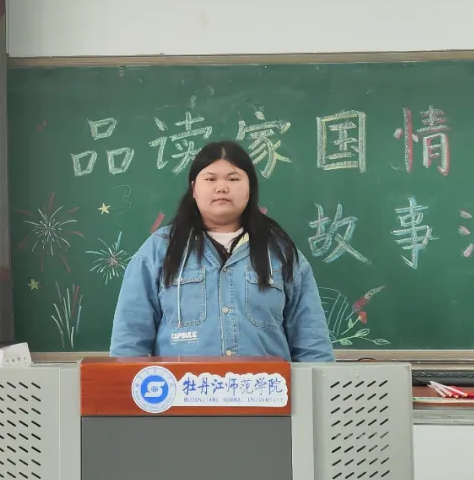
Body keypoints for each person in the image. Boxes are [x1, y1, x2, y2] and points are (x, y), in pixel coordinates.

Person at [109, 140, 335, 362]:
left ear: (250, 187)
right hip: (183, 386)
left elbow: (312, 344)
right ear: (194, 188)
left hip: (265, 386)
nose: (221, 188)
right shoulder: (160, 249)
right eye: (210, 179)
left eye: (233, 179)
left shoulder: (280, 251)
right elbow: (129, 340)